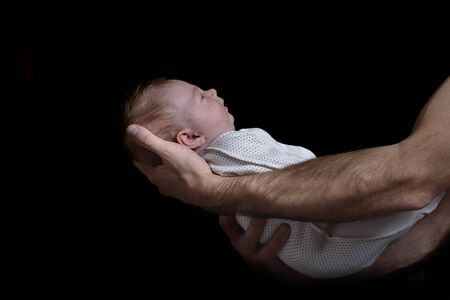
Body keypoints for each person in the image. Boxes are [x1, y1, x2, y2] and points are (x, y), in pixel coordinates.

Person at [123, 78, 448, 279]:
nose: (212, 90)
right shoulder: (231, 148)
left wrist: (211, 192)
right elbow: (306, 174)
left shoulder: (217, 170)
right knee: (415, 203)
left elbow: (409, 183)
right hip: (333, 241)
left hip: (320, 260)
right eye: (201, 97)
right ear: (190, 137)